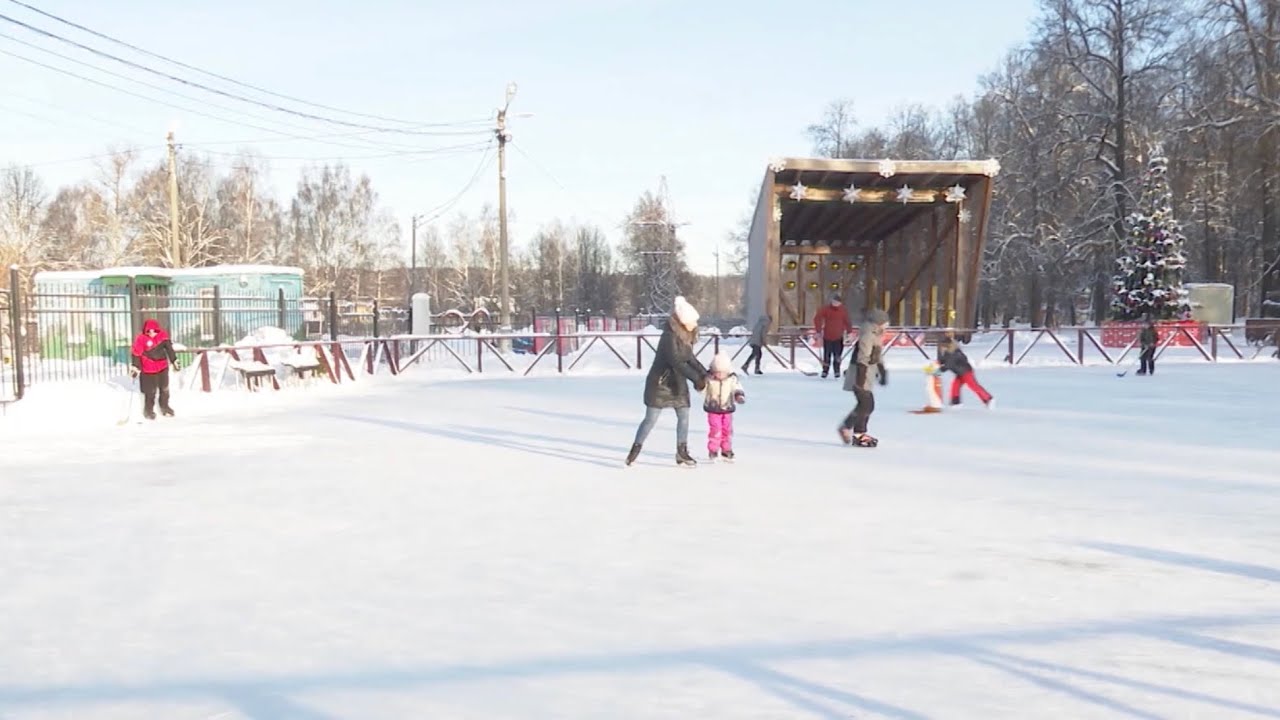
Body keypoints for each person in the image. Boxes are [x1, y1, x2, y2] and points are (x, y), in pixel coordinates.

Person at [626, 296, 708, 467]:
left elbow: (689, 358)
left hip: (678, 383)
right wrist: (696, 379)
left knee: (684, 416)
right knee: (651, 419)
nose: (695, 324)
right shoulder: (669, 336)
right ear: (683, 320)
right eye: (693, 321)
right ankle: (635, 449)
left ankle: (682, 452)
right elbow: (676, 361)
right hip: (661, 384)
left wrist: (704, 373)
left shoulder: (685, 336)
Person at [838, 308, 889, 447]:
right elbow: (863, 356)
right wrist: (860, 377)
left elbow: (877, 355)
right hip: (860, 372)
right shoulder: (868, 334)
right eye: (885, 323)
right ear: (878, 323)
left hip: (867, 373)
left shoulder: (876, 335)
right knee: (866, 405)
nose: (887, 326)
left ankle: (851, 429)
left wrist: (882, 371)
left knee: (865, 405)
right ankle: (855, 432)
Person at [130, 318, 180, 420]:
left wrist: (174, 360)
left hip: (162, 367)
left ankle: (165, 407)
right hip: (148, 369)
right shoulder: (141, 339)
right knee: (150, 391)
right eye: (149, 331)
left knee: (164, 389)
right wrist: (135, 367)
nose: (152, 333)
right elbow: (136, 354)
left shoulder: (163, 337)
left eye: (154, 330)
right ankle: (148, 410)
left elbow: (170, 350)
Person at [704, 351, 746, 461]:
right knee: (716, 429)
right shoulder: (709, 379)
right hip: (713, 409)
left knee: (727, 430)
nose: (720, 375)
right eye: (717, 372)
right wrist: (700, 384)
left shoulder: (732, 379)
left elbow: (737, 388)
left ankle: (726, 450)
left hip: (727, 408)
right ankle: (713, 450)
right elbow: (702, 390)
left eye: (723, 372)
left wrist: (739, 396)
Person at [938, 334, 993, 407]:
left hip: (966, 372)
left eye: (943, 346)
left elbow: (949, 364)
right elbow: (942, 361)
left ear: (948, 345)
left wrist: (940, 370)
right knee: (955, 385)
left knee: (974, 386)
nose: (942, 348)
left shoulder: (955, 352)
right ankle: (955, 402)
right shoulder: (947, 352)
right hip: (959, 373)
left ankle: (988, 399)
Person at [813, 294, 853, 378]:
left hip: (839, 337)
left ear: (840, 303)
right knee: (827, 355)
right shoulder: (826, 309)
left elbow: (847, 321)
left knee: (837, 355)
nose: (835, 303)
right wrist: (818, 330)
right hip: (827, 336)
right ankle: (825, 371)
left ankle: (837, 371)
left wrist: (849, 332)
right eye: (834, 301)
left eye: (837, 302)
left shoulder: (843, 310)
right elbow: (817, 318)